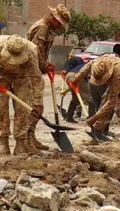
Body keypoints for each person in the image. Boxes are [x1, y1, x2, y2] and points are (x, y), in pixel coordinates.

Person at [27, 4, 70, 150]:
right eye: (59, 23)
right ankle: (27, 140)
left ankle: (30, 138)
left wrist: (46, 64)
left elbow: (40, 54)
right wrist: (44, 65)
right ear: (53, 18)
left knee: (35, 106)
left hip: (34, 71)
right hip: (30, 72)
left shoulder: (45, 27)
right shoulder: (42, 28)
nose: (59, 26)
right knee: (35, 107)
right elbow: (34, 52)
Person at [71, 56, 120, 139]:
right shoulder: (100, 62)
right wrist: (76, 78)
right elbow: (88, 65)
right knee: (104, 102)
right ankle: (98, 131)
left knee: (119, 107)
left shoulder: (118, 76)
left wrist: (94, 117)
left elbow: (111, 102)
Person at [0, 35, 44, 155]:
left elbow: (37, 78)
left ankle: (20, 142)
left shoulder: (31, 50)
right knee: (1, 108)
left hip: (23, 76)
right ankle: (3, 141)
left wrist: (37, 102)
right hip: (2, 74)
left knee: (23, 109)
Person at [61, 56, 95, 123]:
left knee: (75, 99)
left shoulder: (83, 65)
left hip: (68, 75)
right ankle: (91, 119)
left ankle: (69, 117)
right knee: (90, 98)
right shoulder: (93, 66)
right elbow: (87, 79)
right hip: (76, 76)